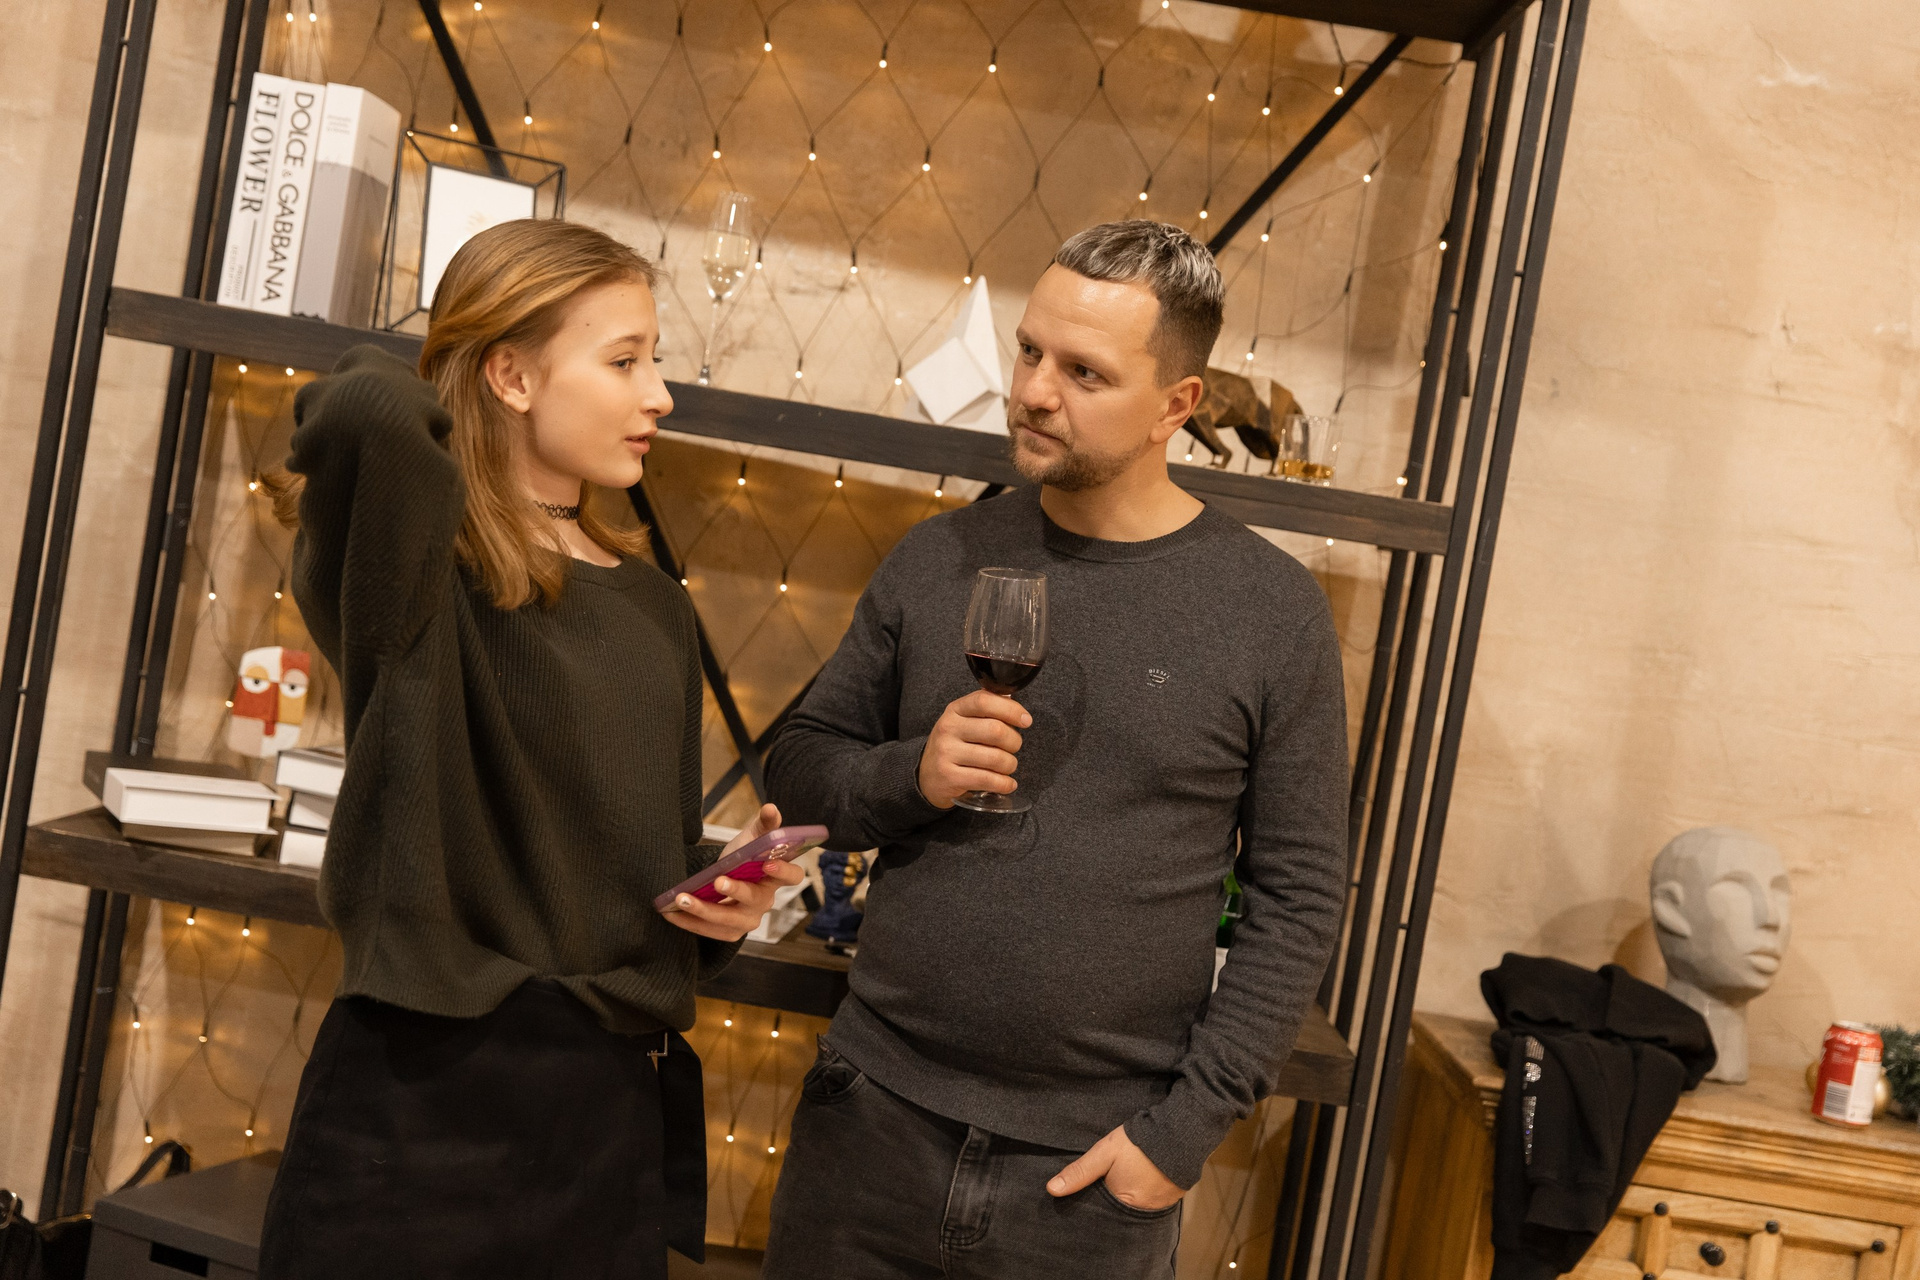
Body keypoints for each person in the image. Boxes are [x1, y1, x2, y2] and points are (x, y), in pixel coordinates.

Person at [761, 220, 1350, 1279]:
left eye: (1085, 372)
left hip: (1089, 1181)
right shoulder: (940, 556)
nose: (1033, 391)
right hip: (869, 1124)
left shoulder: (1271, 611)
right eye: (1031, 350)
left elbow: (1300, 895)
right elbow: (800, 764)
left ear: (1177, 404)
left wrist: (1179, 1137)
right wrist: (912, 774)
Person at [255, 219, 802, 1279]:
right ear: (510, 375)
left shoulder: (653, 605)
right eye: (625, 360)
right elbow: (364, 404)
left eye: (655, 360)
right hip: (423, 1103)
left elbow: (621, 855)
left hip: (606, 1117)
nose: (661, 395)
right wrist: (461, 383)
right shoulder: (420, 569)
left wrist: (717, 897)